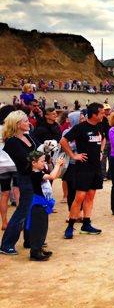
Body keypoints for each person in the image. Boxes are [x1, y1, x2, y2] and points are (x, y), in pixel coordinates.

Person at [60, 102, 105, 239]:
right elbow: (63, 141)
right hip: (83, 167)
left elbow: (103, 138)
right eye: (101, 113)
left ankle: (86, 224)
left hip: (96, 166)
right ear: (94, 114)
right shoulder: (80, 127)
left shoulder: (100, 125)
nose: (104, 115)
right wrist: (73, 155)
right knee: (79, 197)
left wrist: (101, 151)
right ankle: (70, 226)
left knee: (90, 196)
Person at [0, 111, 38, 255]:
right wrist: (38, 159)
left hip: (35, 177)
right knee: (22, 210)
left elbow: (38, 151)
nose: (28, 122)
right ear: (17, 124)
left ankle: (30, 239)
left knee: (32, 209)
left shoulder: (28, 136)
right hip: (25, 177)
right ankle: (6, 244)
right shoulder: (12, 142)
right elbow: (26, 159)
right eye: (25, 121)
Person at [26, 151, 63, 261]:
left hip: (42, 203)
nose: (44, 163)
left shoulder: (40, 171)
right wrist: (57, 165)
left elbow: (55, 176)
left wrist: (59, 166)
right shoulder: (35, 174)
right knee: (38, 228)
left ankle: (39, 248)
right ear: (34, 163)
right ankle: (35, 251)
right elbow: (51, 176)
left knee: (43, 227)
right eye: (42, 161)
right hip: (37, 204)